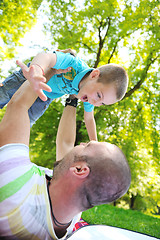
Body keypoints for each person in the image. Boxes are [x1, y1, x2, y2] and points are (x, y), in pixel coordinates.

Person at [0, 77, 131, 239]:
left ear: (79, 170)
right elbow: (65, 143)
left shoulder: (14, 186)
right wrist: (72, 100)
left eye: (87, 146)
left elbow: (18, 106)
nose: (82, 142)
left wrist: (48, 69)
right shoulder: (71, 214)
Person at [0, 49, 128, 141]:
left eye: (102, 103)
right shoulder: (73, 65)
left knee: (23, 124)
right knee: (4, 95)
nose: (95, 103)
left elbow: (89, 119)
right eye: (99, 96)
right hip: (33, 76)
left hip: (45, 96)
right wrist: (37, 71)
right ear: (94, 75)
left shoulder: (89, 95)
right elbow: (46, 57)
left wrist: (94, 142)